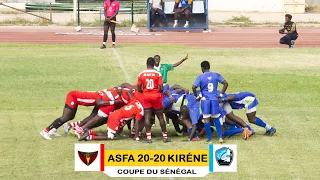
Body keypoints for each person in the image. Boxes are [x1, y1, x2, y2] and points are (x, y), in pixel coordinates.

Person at [40, 88, 123, 140]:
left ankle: (53, 130)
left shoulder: (105, 93)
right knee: (66, 117)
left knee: (71, 116)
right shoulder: (101, 97)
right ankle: (46, 131)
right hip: (73, 97)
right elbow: (99, 102)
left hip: (75, 98)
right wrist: (113, 102)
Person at [192, 60, 228, 143]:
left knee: (206, 119)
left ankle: (210, 139)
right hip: (214, 100)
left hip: (205, 101)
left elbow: (194, 87)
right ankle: (220, 137)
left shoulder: (200, 77)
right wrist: (221, 95)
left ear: (202, 68)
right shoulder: (216, 75)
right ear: (209, 67)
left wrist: (197, 97)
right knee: (216, 118)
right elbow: (225, 83)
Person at [137, 57, 170, 143]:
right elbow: (161, 88)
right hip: (156, 96)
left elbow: (139, 88)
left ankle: (149, 138)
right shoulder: (158, 74)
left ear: (146, 64)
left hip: (146, 96)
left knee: (147, 116)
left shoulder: (141, 74)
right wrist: (157, 92)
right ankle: (165, 137)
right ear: (153, 64)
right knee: (160, 116)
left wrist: (144, 92)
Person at [79, 99, 144, 141]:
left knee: (113, 133)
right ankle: (88, 137)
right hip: (116, 118)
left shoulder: (136, 101)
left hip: (114, 114)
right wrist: (136, 136)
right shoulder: (141, 111)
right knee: (110, 136)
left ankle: (90, 132)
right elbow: (137, 124)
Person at [152, 54, 188, 127]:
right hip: (156, 87)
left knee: (167, 99)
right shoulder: (151, 69)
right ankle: (153, 121)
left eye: (158, 59)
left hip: (164, 85)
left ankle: (167, 116)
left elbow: (174, 65)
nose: (156, 60)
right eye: (155, 59)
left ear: (159, 60)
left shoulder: (164, 66)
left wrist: (183, 60)